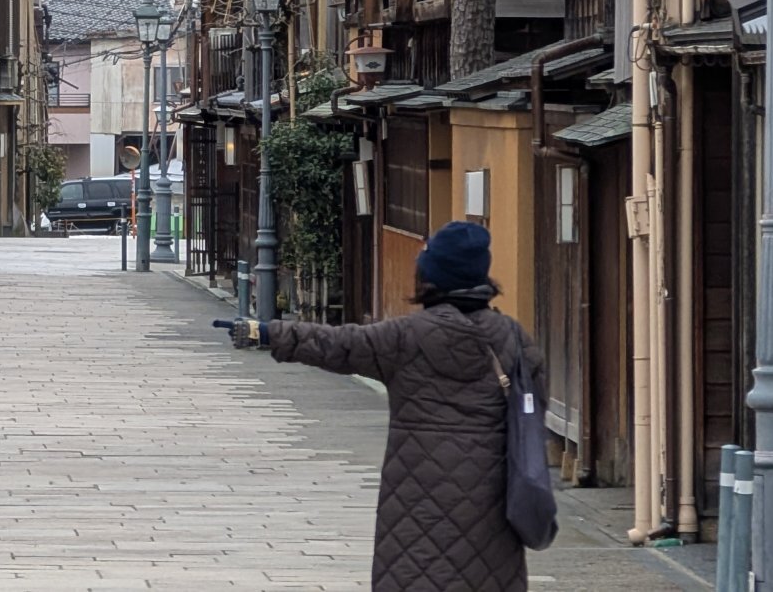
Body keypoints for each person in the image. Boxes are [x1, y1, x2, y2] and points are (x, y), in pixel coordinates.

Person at [215, 221, 544, 592]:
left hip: (415, 502)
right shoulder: (516, 340)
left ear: (431, 275)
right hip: (493, 502)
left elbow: (337, 343)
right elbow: (532, 413)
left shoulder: (406, 337)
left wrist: (267, 332)